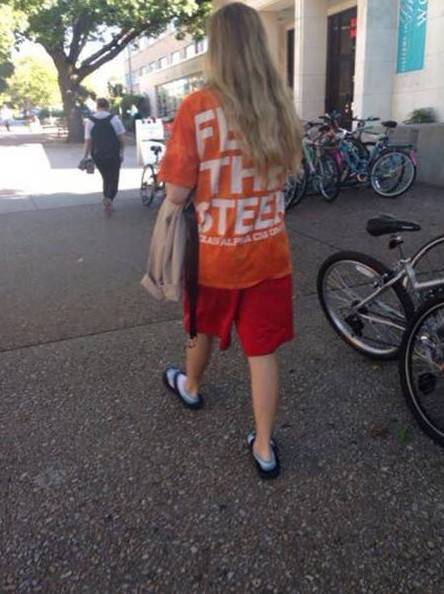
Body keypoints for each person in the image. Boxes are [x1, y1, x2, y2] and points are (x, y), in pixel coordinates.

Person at [158, 2, 303, 479]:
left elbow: (177, 193)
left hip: (214, 255)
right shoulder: (280, 106)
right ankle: (263, 446)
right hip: (269, 253)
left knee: (201, 326)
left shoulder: (197, 108)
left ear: (216, 49)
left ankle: (191, 386)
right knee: (262, 351)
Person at [83, 98, 125, 214]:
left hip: (97, 154)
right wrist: (122, 152)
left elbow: (88, 141)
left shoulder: (90, 121)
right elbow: (121, 139)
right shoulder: (114, 119)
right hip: (113, 153)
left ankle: (106, 198)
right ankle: (109, 198)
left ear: (97, 106)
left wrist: (85, 156)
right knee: (114, 178)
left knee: (105, 177)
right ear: (108, 106)